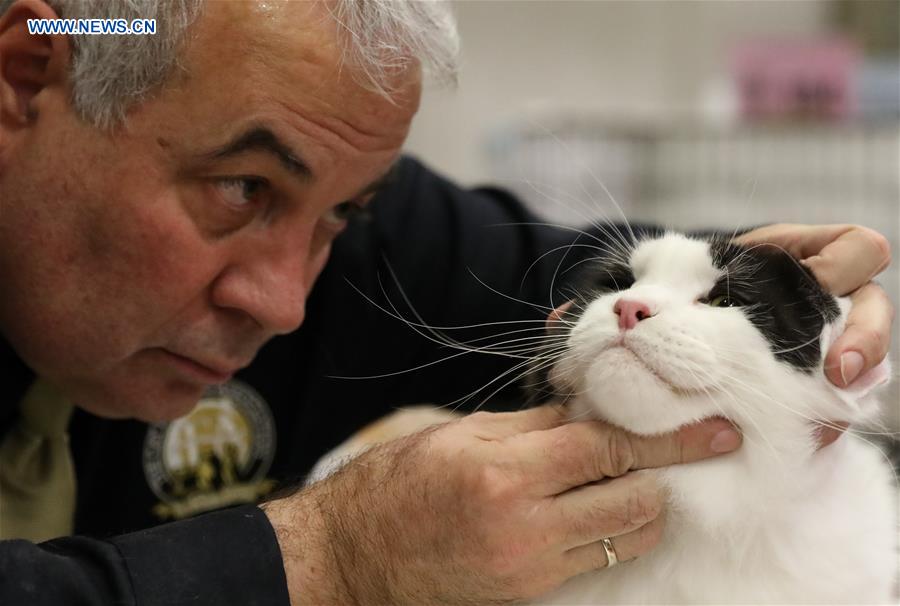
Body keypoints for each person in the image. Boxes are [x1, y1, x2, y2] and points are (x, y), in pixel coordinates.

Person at [0, 1, 892, 604]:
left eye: (345, 213)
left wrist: (791, 284)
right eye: (241, 188)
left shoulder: (362, 233)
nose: (283, 303)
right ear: (27, 76)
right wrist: (329, 560)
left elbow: (567, 273)